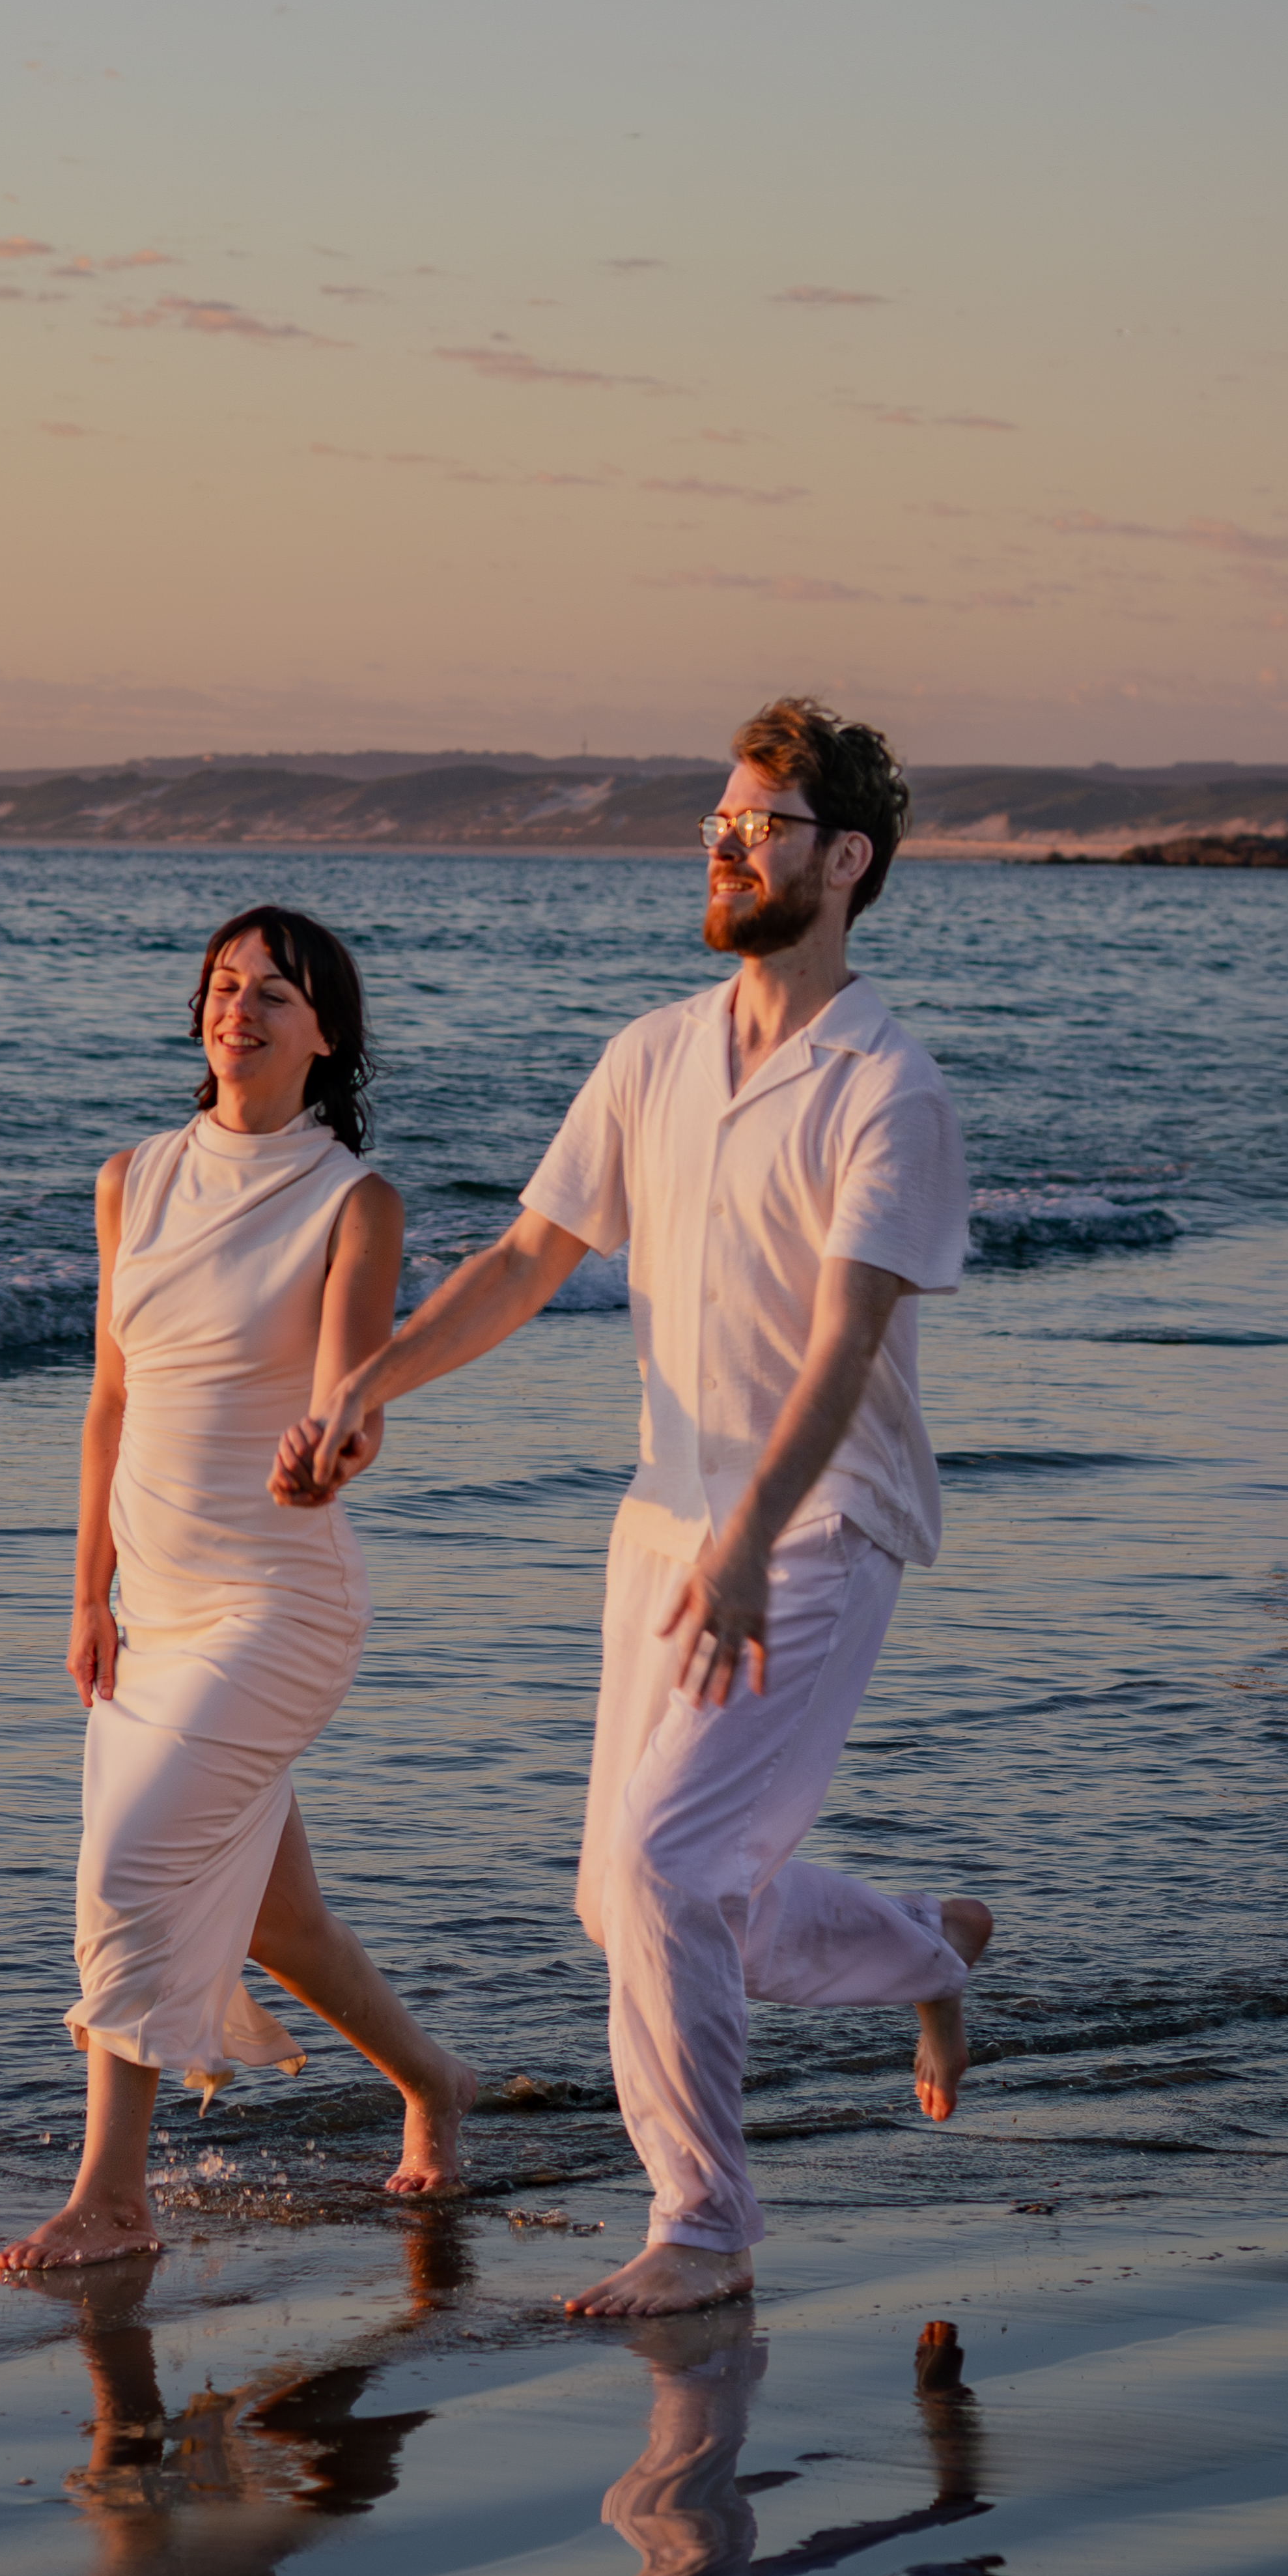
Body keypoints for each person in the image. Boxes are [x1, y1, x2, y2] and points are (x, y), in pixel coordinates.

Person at [277, 698, 992, 2321]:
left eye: (762, 822)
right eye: (718, 820)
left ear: (847, 859)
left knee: (670, 1872)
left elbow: (845, 1340)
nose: (727, 842)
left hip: (816, 1531)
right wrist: (365, 1386)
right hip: (665, 1527)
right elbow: (529, 1261)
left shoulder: (886, 1086)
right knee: (638, 1901)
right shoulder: (652, 1052)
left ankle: (705, 2221)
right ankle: (926, 1948)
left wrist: (750, 1537)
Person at [0, 905, 476, 2276]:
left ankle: (113, 2197)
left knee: (128, 1863)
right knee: (278, 1920)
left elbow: (349, 1388)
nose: (241, 1008)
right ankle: (433, 2080)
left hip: (278, 1602)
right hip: (151, 1605)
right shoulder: (130, 1178)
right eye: (224, 983)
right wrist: (86, 1590)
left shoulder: (350, 1200)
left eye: (276, 990)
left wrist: (334, 1451)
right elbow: (108, 1400)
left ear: (327, 1034)